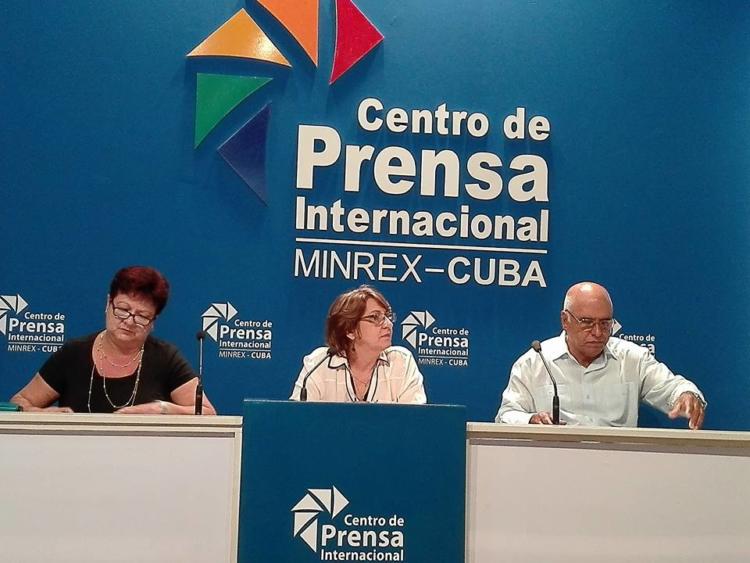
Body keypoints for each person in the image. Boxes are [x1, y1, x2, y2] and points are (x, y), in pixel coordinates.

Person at [496, 281, 706, 429]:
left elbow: (674, 387)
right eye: (587, 322)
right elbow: (506, 415)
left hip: (620, 469)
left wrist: (687, 395)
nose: (598, 332)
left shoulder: (632, 359)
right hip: (553, 467)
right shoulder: (534, 362)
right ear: (565, 320)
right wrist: (531, 420)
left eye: (605, 324)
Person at [10, 266, 216, 415]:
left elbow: (206, 413)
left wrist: (162, 408)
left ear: (153, 321)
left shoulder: (165, 358)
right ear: (108, 303)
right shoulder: (73, 354)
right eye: (123, 309)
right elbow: (19, 401)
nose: (129, 321)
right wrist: (38, 412)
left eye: (142, 316)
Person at [290, 285, 426, 403]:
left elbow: (414, 419)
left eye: (387, 316)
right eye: (375, 317)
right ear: (350, 330)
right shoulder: (319, 364)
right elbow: (298, 418)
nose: (388, 324)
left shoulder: (401, 362)